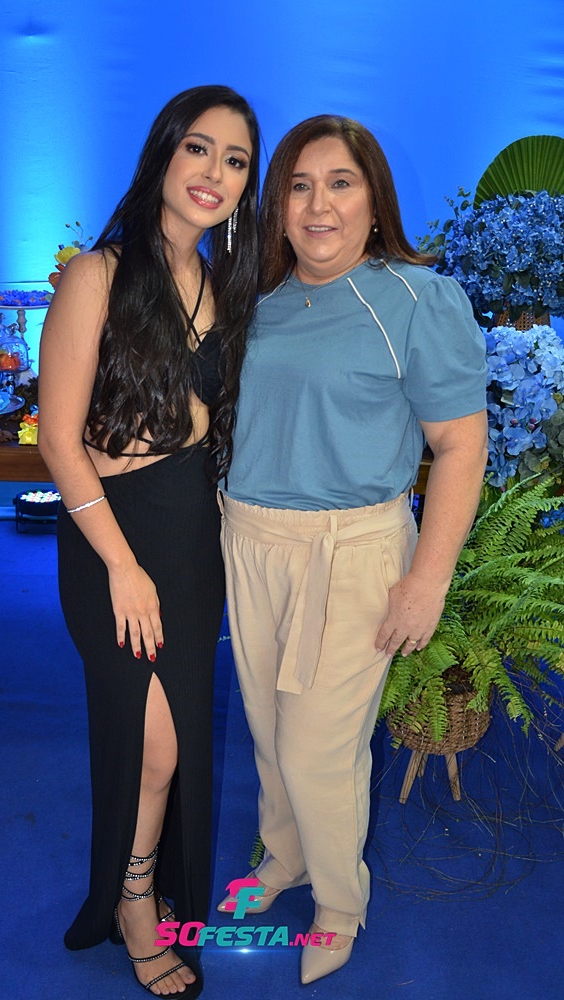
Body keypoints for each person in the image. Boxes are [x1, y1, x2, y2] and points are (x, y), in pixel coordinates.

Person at [216, 115, 488, 985]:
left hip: (353, 549)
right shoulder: (254, 299)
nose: (317, 205)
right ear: (276, 205)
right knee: (270, 734)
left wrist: (427, 580)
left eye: (340, 183)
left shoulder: (414, 300)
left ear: (375, 200)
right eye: (298, 186)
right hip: (250, 539)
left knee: (317, 750)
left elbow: (461, 445)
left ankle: (339, 902)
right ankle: (286, 857)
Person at [38, 85, 260, 999]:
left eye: (236, 161)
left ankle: (148, 888)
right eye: (199, 148)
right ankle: (134, 903)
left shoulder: (228, 286)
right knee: (153, 748)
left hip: (192, 541)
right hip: (115, 542)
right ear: (164, 152)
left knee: (177, 741)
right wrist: (122, 566)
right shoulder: (97, 276)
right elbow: (59, 441)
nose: (215, 173)